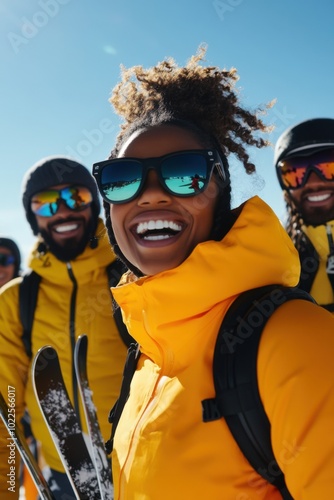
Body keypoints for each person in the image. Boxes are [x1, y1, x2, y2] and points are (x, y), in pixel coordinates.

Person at [91, 47, 334, 499]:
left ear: (221, 197)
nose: (149, 196)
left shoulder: (296, 337)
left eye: (185, 173)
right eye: (123, 178)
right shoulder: (147, 356)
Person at [0, 156, 129, 499]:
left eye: (76, 197)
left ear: (95, 203)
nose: (63, 211)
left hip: (139, 464)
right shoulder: (16, 300)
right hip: (62, 477)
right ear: (32, 218)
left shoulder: (131, 278)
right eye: (45, 204)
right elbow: (5, 410)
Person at [274, 117, 334, 311]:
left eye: (329, 166)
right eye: (295, 172)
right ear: (285, 189)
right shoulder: (273, 265)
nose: (314, 182)